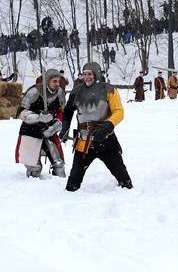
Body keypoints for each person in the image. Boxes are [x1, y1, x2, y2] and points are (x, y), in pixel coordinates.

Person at [60, 62, 133, 191]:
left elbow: (118, 111)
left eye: (89, 74)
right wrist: (65, 127)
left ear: (96, 74)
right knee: (72, 185)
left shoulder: (108, 89)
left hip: (106, 140)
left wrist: (107, 127)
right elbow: (68, 110)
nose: (86, 77)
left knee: (125, 181)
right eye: (84, 74)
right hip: (83, 142)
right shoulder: (77, 90)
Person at [15, 69, 66, 178]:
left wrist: (56, 125)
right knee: (34, 167)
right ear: (47, 81)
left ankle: (60, 187)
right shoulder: (34, 92)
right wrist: (39, 117)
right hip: (31, 130)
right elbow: (21, 113)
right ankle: (33, 187)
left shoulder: (60, 93)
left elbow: (61, 111)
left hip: (49, 129)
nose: (57, 84)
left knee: (59, 165)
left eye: (58, 81)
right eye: (54, 81)